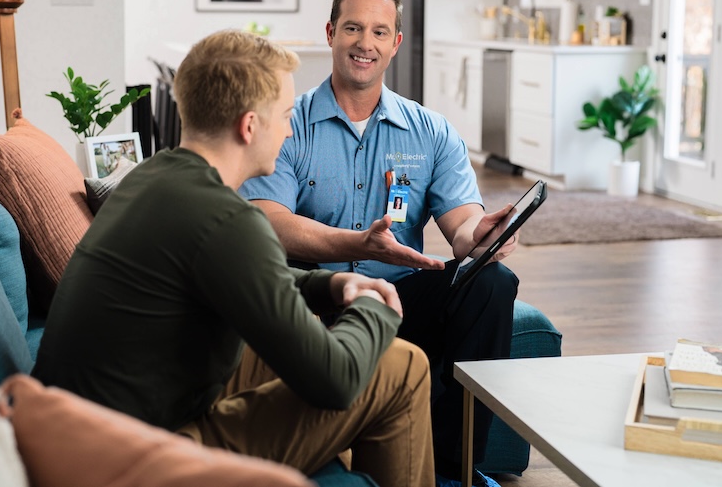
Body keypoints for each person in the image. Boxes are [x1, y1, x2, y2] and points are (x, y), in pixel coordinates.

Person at [32, 29, 435, 487]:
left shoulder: (154, 176)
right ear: (249, 126)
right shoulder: (226, 219)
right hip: (138, 457)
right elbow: (335, 382)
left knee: (390, 359)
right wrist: (375, 307)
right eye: (285, 115)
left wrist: (334, 285)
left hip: (87, 431)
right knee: (402, 368)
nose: (289, 130)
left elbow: (250, 275)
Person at [239, 0, 520, 487]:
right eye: (352, 28)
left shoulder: (431, 131)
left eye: (378, 31)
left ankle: (456, 470)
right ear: (330, 32)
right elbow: (268, 222)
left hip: (398, 299)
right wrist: (353, 245)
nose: (364, 43)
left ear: (395, 41)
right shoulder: (288, 124)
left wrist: (484, 234)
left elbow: (461, 228)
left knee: (491, 281)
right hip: (314, 301)